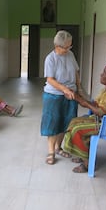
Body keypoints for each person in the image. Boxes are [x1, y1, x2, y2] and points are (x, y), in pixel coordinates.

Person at [40, 30, 80, 165]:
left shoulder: (71, 55)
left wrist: (78, 90)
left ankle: (58, 147)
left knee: (67, 122)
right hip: (54, 95)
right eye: (66, 47)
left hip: (71, 94)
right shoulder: (50, 58)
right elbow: (50, 79)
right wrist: (64, 89)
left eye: (70, 46)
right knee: (53, 122)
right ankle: (51, 152)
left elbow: (76, 73)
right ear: (57, 46)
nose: (69, 49)